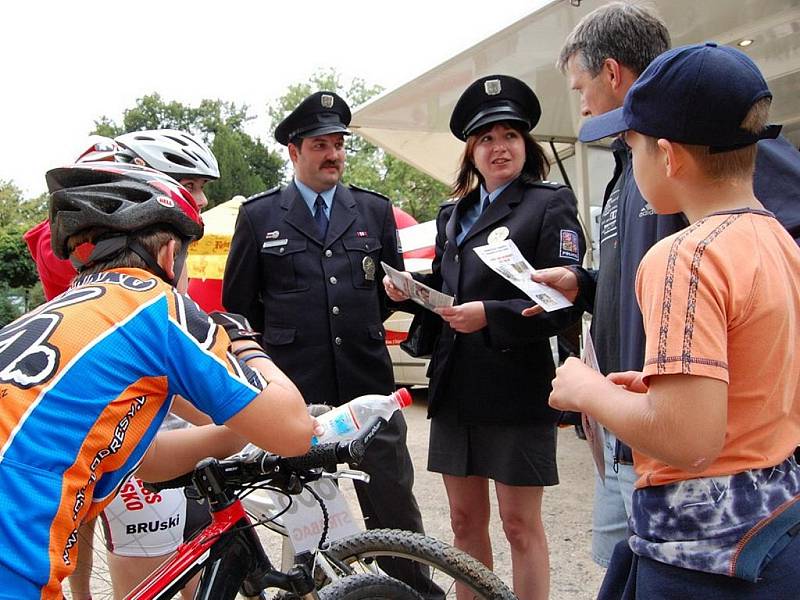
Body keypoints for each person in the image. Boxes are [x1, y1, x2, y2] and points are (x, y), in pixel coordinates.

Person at [540, 0, 800, 569]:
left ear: (668, 154)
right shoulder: (777, 240)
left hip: (699, 539)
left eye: (632, 144)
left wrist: (588, 390)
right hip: (772, 514)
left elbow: (687, 439)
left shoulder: (682, 253)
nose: (626, 155)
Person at [0, 161, 318, 599]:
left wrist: (235, 434)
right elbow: (295, 432)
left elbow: (145, 460)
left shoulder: (64, 318)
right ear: (171, 255)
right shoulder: (154, 304)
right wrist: (242, 339)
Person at [221, 91, 432, 593]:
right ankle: (311, 593)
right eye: (321, 145)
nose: (333, 154)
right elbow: (238, 311)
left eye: (339, 144)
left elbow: (386, 294)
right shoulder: (260, 217)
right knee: (307, 515)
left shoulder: (374, 212)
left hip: (368, 388)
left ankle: (411, 594)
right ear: (293, 152)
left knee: (393, 503)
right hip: (296, 396)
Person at [384, 75, 585, 600]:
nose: (500, 148)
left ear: (527, 145)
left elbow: (563, 300)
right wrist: (411, 291)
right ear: (471, 151)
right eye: (487, 138)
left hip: (518, 385)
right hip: (455, 385)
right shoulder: (453, 213)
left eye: (510, 136)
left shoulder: (549, 204)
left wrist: (490, 316)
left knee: (520, 525)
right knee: (462, 523)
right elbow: (453, 288)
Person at [23, 130, 223, 599]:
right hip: (123, 412)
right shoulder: (105, 248)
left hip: (123, 407)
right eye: (191, 184)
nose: (202, 197)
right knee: (147, 550)